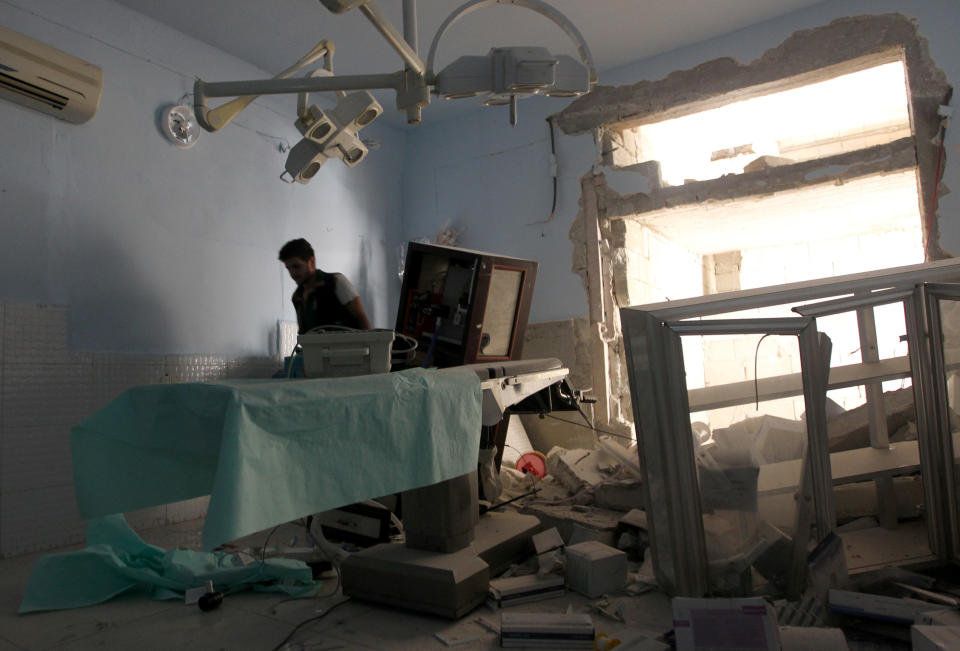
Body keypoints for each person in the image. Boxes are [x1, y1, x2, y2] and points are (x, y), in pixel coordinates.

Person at [278, 238, 371, 333]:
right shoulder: (297, 296)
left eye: (296, 266)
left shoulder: (336, 282)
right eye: (288, 268)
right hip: (316, 347)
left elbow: (362, 320)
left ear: (312, 262)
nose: (292, 273)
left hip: (348, 347)